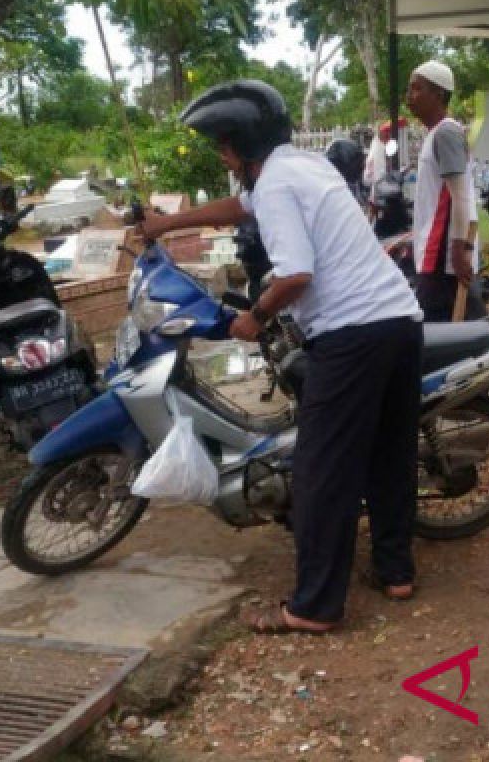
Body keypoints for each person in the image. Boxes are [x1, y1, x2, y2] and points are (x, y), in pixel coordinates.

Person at [137, 80, 424, 634]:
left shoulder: (275, 186)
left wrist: (256, 317)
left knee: (322, 471)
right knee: (390, 456)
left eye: (223, 146)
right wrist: (165, 225)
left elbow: (295, 273)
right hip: (399, 322)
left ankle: (315, 606)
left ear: (245, 146)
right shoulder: (304, 166)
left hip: (351, 334)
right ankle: (396, 572)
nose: (221, 156)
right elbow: (236, 208)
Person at [405, 60, 485, 322]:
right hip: (437, 251)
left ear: (438, 94)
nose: (409, 97)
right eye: (409, 89)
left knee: (444, 326)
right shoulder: (435, 134)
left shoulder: (446, 133)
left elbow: (460, 195)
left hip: (443, 255)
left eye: (417, 89)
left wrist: (459, 249)